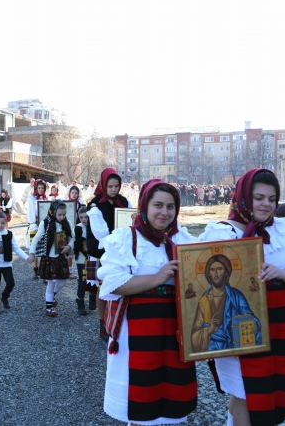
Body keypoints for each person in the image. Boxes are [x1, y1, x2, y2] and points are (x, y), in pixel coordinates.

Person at [198, 169, 285, 426]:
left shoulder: (283, 231)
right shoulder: (222, 234)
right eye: (259, 197)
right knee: (245, 393)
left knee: (273, 388)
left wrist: (281, 272)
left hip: (279, 325)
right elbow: (202, 287)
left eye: (272, 199)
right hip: (235, 327)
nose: (266, 204)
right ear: (242, 197)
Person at [97, 179, 198, 425]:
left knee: (170, 400)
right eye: (158, 205)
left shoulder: (183, 240)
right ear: (144, 205)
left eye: (171, 206)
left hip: (175, 332)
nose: (165, 212)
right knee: (140, 400)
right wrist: (157, 278)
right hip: (136, 333)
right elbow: (112, 285)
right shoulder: (124, 239)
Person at [86, 167, 132, 339]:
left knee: (121, 285)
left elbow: (130, 222)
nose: (114, 189)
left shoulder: (124, 202)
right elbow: (100, 233)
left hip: (120, 250)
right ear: (104, 185)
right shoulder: (95, 204)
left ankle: (119, 319)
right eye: (110, 186)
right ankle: (102, 323)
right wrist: (115, 244)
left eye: (116, 186)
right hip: (102, 250)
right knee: (103, 287)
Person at [190, 254, 262, 353]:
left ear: (226, 273)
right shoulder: (204, 301)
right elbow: (195, 335)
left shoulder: (236, 296)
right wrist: (210, 329)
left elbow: (249, 317)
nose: (215, 273)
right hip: (213, 348)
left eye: (219, 269)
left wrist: (254, 325)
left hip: (236, 345)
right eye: (212, 269)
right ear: (208, 274)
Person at [28, 200, 75, 317]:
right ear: (53, 212)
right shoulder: (45, 223)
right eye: (59, 215)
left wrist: (69, 246)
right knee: (50, 283)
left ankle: (52, 296)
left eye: (64, 214)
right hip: (49, 258)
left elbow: (73, 238)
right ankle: (49, 307)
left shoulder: (67, 223)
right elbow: (36, 239)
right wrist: (31, 253)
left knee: (62, 281)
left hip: (61, 257)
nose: (62, 217)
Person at [0, 212, 29, 314]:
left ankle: (4, 297)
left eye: (2, 223)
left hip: (6, 263)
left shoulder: (9, 234)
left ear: (5, 223)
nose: (0, 225)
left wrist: (26, 257)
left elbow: (17, 249)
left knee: (11, 282)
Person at [73, 206, 95, 315]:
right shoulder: (78, 228)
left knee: (92, 277)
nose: (84, 220)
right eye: (81, 217)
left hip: (92, 257)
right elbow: (77, 242)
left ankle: (92, 296)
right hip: (82, 259)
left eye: (86, 217)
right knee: (82, 279)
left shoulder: (94, 227)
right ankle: (80, 301)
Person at [26, 179, 50, 279]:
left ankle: (43, 270)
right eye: (39, 188)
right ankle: (35, 271)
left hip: (44, 224)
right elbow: (30, 211)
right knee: (34, 246)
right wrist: (33, 225)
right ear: (36, 188)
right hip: (34, 224)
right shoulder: (32, 198)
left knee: (44, 247)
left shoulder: (46, 198)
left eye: (42, 188)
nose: (40, 190)